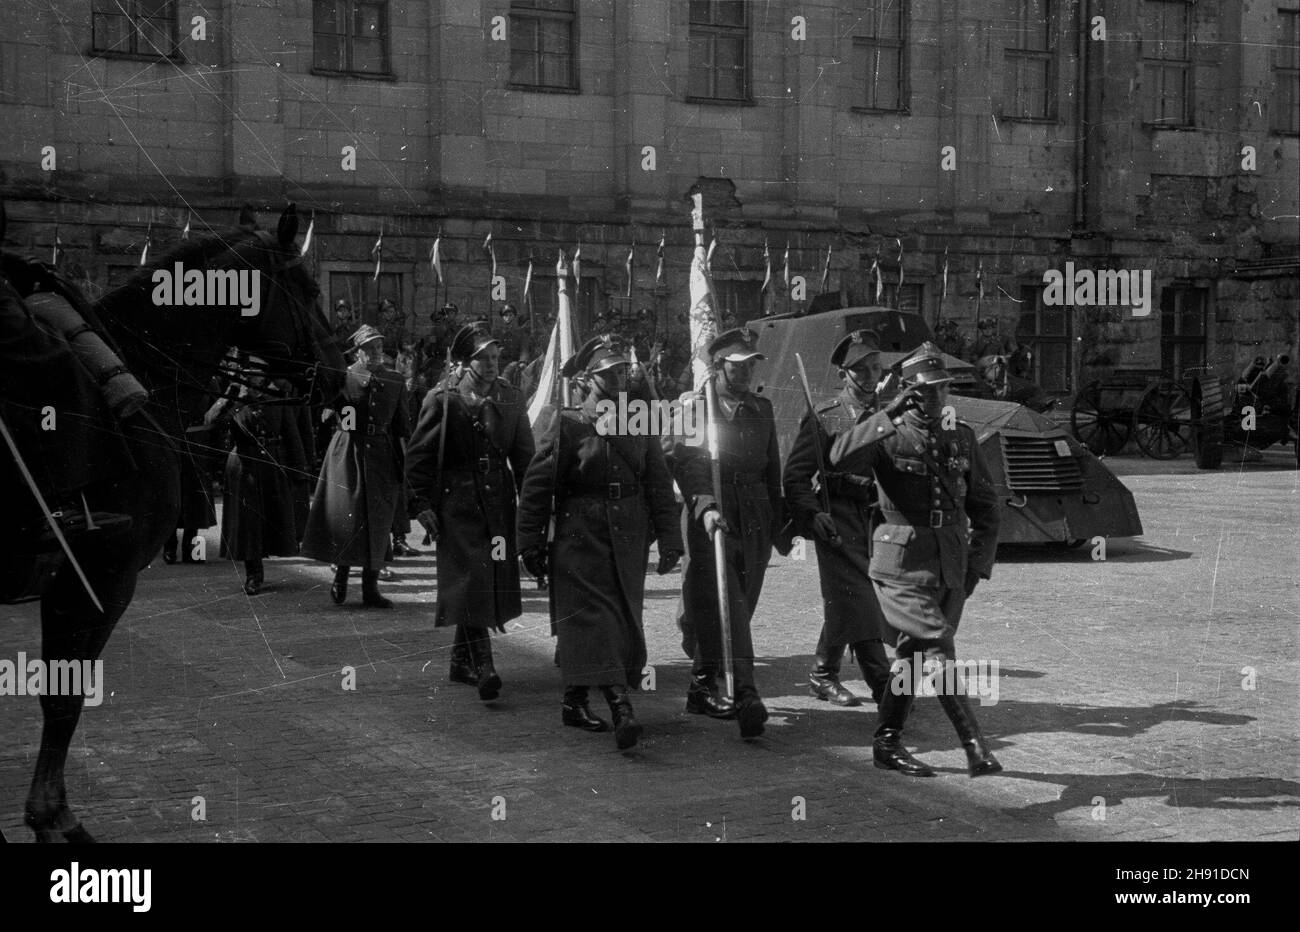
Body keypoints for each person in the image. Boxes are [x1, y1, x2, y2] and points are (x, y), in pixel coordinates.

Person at [827, 342, 1002, 777]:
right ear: (906, 391)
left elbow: (986, 506)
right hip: (900, 566)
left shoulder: (960, 435)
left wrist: (977, 564)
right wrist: (886, 413)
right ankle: (975, 748)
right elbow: (838, 456)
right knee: (938, 648)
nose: (935, 399)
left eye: (941, 390)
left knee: (914, 659)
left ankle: (886, 741)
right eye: (924, 391)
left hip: (950, 566)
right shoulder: (888, 434)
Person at [516, 336, 684, 749]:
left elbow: (659, 483)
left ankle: (574, 700)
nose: (617, 378)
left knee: (617, 619)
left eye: (620, 371)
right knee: (597, 621)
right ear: (590, 379)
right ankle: (620, 707)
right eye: (607, 373)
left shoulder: (638, 418)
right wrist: (529, 541)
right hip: (580, 536)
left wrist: (669, 539)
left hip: (627, 536)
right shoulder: (571, 422)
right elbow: (538, 485)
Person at [665, 327, 785, 739]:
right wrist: (706, 507)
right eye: (738, 366)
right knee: (725, 602)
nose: (746, 372)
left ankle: (701, 685)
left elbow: (773, 471)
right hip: (711, 516)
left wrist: (781, 524)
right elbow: (687, 464)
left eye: (751, 364)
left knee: (740, 603)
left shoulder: (762, 408)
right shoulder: (696, 409)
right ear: (718, 368)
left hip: (753, 517)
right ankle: (746, 693)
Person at [406, 322, 535, 701]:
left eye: (497, 357)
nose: (493, 364)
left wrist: (532, 509)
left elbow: (525, 458)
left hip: (498, 507)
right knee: (473, 580)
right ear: (465, 363)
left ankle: (460, 661)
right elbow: (418, 459)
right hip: (457, 506)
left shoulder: (511, 398)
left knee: (481, 582)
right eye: (484, 358)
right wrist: (420, 505)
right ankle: (484, 666)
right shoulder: (442, 400)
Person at [783, 330, 893, 707]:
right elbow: (795, 477)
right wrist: (812, 515)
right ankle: (885, 688)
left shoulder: (889, 415)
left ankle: (822, 674)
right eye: (860, 370)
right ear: (844, 374)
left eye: (875, 367)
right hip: (838, 521)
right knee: (860, 599)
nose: (869, 376)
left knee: (849, 600)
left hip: (880, 526)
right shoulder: (826, 418)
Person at [301, 324, 409, 608]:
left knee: (378, 521)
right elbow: (337, 414)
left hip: (382, 457)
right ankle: (341, 578)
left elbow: (402, 427)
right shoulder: (344, 378)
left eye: (379, 347)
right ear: (358, 352)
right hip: (349, 452)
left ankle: (370, 588)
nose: (376, 353)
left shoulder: (396, 380)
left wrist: (403, 461)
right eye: (369, 348)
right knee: (347, 518)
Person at [213, 358, 315, 595]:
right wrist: (232, 395)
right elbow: (213, 421)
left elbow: (291, 435)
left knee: (273, 519)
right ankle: (254, 575)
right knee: (248, 524)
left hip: (271, 464)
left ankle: (263, 564)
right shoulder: (235, 399)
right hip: (243, 466)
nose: (254, 378)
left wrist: (300, 471)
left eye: (258, 373)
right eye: (249, 374)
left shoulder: (277, 398)